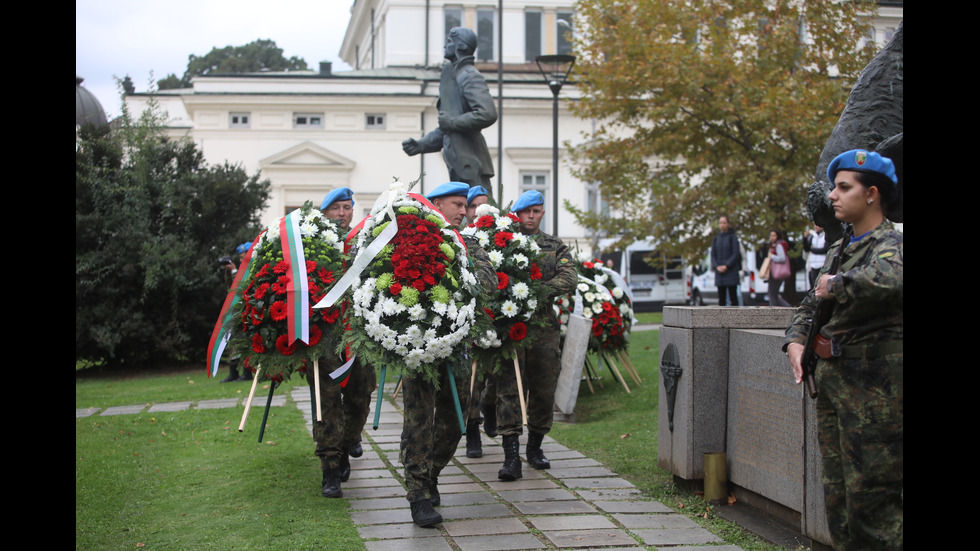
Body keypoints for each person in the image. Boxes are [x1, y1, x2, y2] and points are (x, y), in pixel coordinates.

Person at [785, 149, 902, 551]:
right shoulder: (841, 249)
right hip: (835, 387)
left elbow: (889, 280)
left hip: (874, 395)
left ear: (871, 194)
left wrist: (835, 285)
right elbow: (810, 304)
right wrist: (796, 341)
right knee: (839, 502)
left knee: (874, 503)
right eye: (835, 187)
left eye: (843, 187)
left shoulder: (891, 243)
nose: (832, 195)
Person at [399, 182, 494, 527]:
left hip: (456, 345)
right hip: (417, 348)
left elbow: (488, 281)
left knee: (457, 419)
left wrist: (455, 273)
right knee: (418, 421)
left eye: (466, 206)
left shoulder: (468, 243)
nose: (463, 211)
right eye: (457, 204)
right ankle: (418, 495)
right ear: (436, 203)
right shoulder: (410, 240)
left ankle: (432, 471)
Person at [490, 190, 577, 481]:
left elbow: (568, 278)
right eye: (526, 211)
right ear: (517, 213)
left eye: (537, 211)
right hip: (510, 327)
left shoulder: (554, 245)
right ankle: (510, 456)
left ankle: (536, 446)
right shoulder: (503, 242)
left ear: (541, 213)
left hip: (542, 328)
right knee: (510, 388)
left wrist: (537, 291)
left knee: (544, 387)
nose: (531, 216)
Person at [314, 188, 378, 495]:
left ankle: (349, 440)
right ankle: (330, 467)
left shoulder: (364, 244)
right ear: (324, 213)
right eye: (336, 208)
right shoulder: (313, 246)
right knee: (327, 404)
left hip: (360, 336)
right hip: (325, 337)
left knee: (360, 398)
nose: (342, 213)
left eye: (347, 207)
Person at [402, 28, 497, 194]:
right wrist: (421, 145)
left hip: (471, 161)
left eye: (450, 41)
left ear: (460, 46)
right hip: (458, 161)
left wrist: (452, 122)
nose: (445, 45)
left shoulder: (469, 76)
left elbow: (487, 113)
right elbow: (446, 128)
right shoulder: (453, 76)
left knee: (483, 211)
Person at [464, 184, 490, 458]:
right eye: (473, 206)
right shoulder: (461, 238)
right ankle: (473, 431)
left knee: (495, 382)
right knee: (472, 380)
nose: (478, 211)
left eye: (483, 205)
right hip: (471, 323)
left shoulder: (503, 236)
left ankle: (492, 415)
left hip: (500, 324)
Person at [219, 242, 255, 382]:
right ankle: (233, 372)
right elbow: (231, 288)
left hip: (247, 313)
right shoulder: (241, 270)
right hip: (236, 313)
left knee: (244, 342)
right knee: (233, 342)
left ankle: (247, 373)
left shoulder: (252, 269)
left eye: (242, 257)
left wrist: (235, 271)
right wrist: (230, 271)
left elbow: (242, 287)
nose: (241, 261)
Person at [710, 215, 741, 306]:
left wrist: (726, 266)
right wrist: (717, 266)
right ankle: (722, 319)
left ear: (728, 224)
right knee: (721, 298)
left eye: (724, 223)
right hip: (720, 274)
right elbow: (713, 255)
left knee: (733, 297)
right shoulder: (716, 239)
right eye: (720, 223)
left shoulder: (733, 237)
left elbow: (735, 254)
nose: (722, 225)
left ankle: (735, 319)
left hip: (731, 271)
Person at [767, 229, 792, 307]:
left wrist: (772, 256)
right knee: (773, 294)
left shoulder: (778, 246)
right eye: (771, 235)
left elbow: (782, 258)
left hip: (777, 273)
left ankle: (785, 308)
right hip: (774, 272)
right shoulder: (774, 245)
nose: (772, 237)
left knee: (772, 293)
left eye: (774, 235)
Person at [803, 224, 829, 289]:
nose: (816, 227)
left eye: (818, 225)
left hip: (822, 264)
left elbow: (825, 249)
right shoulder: (812, 236)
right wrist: (805, 238)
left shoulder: (826, 236)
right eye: (815, 225)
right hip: (813, 264)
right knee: (813, 286)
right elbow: (807, 249)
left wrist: (813, 249)